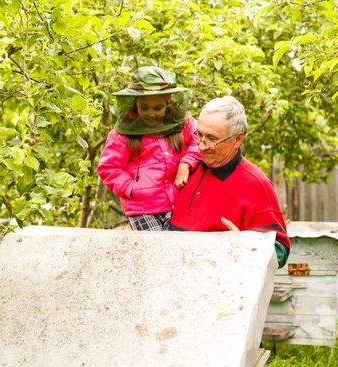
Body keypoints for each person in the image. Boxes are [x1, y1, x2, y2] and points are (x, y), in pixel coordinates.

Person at [169, 96, 290, 267]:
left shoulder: (255, 185)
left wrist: (245, 245)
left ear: (237, 139)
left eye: (212, 138)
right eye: (200, 135)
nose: (202, 146)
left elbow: (280, 250)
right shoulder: (189, 167)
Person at [97, 67, 201, 231]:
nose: (151, 113)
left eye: (157, 108)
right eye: (144, 108)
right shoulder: (123, 133)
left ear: (168, 100)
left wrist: (186, 164)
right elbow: (109, 167)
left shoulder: (182, 123)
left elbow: (201, 140)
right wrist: (132, 189)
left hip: (178, 201)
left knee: (177, 249)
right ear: (135, 102)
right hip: (142, 209)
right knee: (153, 251)